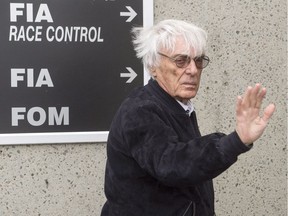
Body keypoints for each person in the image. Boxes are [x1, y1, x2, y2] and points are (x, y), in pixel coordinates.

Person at [101, 19, 275, 216]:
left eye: (198, 60)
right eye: (181, 61)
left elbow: (191, 179)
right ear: (153, 66)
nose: (193, 70)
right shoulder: (140, 111)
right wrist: (236, 140)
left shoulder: (178, 106)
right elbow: (173, 164)